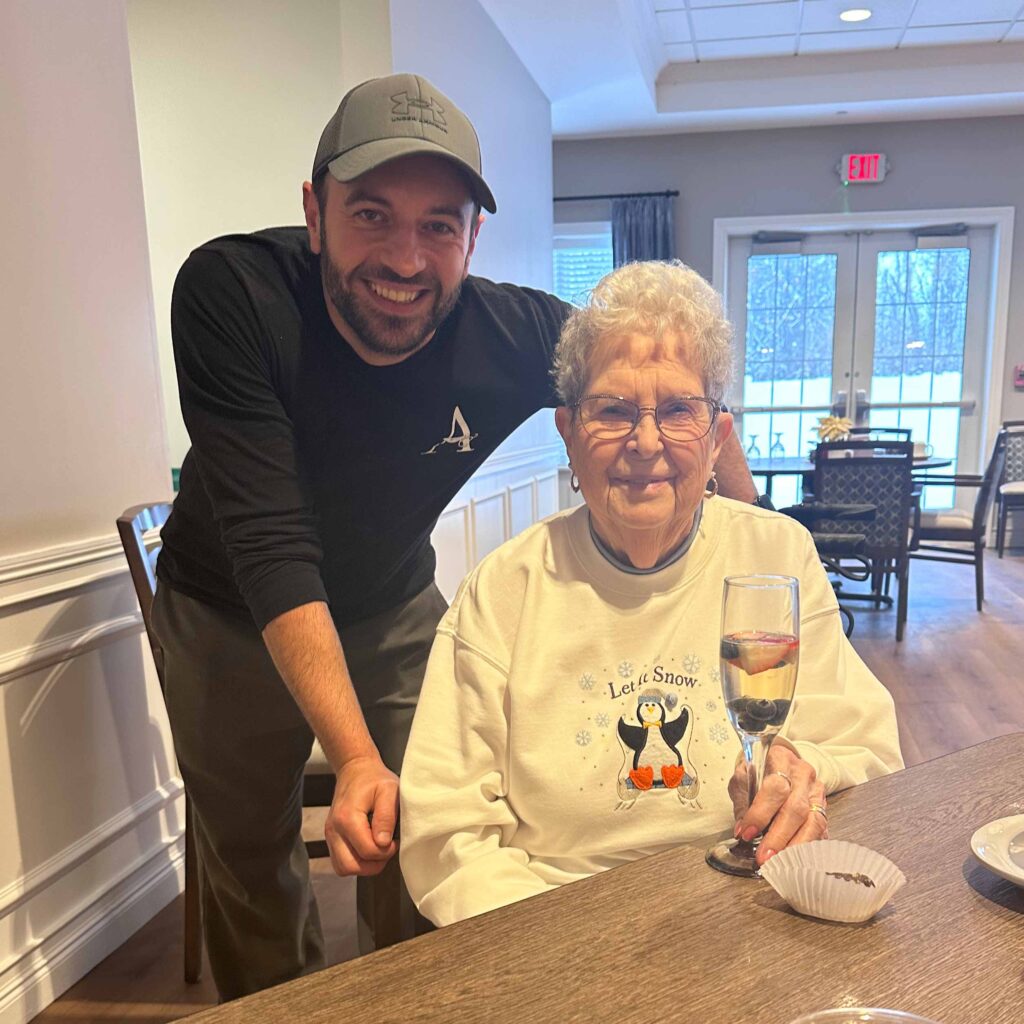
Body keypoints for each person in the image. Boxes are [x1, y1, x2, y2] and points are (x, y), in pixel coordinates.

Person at [151, 73, 759, 998]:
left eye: (439, 224)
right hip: (226, 611)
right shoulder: (232, 295)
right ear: (315, 212)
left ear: (472, 238)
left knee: (429, 823)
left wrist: (750, 548)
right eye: (372, 214)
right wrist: (353, 755)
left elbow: (671, 382)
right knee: (250, 858)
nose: (404, 256)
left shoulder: (513, 331)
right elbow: (273, 549)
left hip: (391, 601)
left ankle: (417, 1006)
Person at [399, 260, 904, 927]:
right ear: (569, 432)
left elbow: (870, 749)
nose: (645, 442)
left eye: (677, 411)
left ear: (718, 435)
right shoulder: (505, 589)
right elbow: (445, 832)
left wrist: (805, 765)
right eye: (612, 410)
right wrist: (557, 956)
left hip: (754, 908)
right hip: (554, 922)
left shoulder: (775, 556)